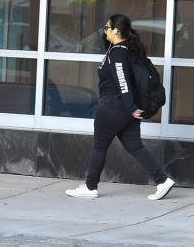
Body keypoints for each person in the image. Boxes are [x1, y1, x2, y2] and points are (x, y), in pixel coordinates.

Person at [66, 14, 175, 201]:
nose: (104, 30)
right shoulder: (127, 49)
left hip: (114, 105)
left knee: (100, 147)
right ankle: (162, 180)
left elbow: (122, 80)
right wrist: (131, 108)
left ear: (116, 31)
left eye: (107, 27)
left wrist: (131, 107)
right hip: (124, 108)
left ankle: (90, 187)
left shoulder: (118, 52)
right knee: (135, 147)